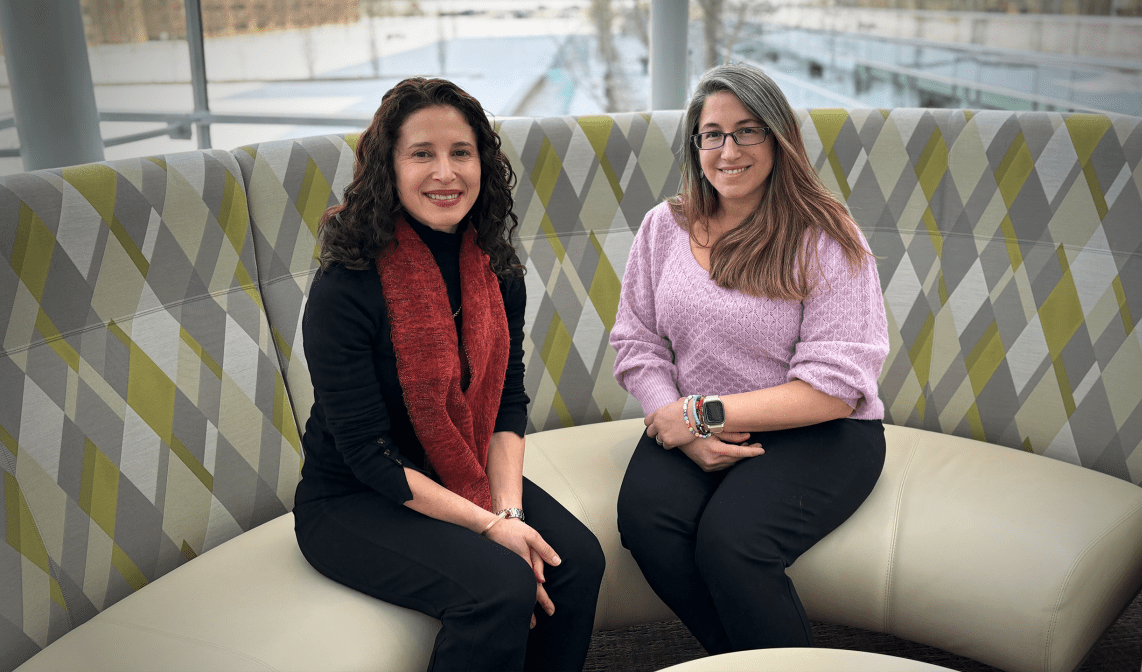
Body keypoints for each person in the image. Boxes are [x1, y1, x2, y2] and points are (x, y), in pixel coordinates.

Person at [293, 77, 604, 672]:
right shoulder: (347, 285)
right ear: (388, 167)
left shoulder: (496, 269)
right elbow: (367, 454)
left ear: (482, 163)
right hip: (355, 498)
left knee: (577, 561)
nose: (445, 173)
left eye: (460, 153)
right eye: (422, 154)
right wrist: (489, 527)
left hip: (456, 468)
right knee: (498, 587)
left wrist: (509, 515)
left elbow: (508, 401)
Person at [609, 63, 889, 654]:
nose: (728, 149)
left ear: (779, 138)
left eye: (748, 131)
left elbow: (835, 388)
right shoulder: (665, 225)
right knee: (646, 519)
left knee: (731, 545)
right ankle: (740, 658)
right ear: (696, 144)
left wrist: (701, 416)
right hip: (696, 415)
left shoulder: (826, 237)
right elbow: (636, 341)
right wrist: (681, 424)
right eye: (713, 134)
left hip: (820, 431)